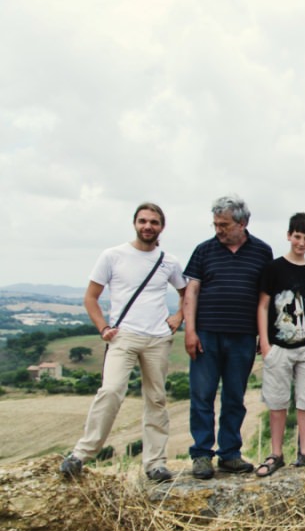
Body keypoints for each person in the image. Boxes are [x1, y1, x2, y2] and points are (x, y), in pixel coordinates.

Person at [60, 203, 187, 482]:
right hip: (123, 336)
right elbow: (90, 297)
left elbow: (186, 292)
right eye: (143, 221)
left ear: (161, 227)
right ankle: (81, 454)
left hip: (157, 339)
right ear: (135, 224)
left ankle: (155, 463)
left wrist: (178, 317)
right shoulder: (113, 256)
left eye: (153, 222)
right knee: (111, 391)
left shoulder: (169, 261)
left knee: (156, 399)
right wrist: (103, 327)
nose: (148, 226)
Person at [183, 195, 273, 479]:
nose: (218, 229)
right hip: (207, 334)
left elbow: (265, 297)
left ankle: (230, 454)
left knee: (235, 396)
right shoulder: (203, 250)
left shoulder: (262, 251)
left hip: (243, 335)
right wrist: (190, 331)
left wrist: (263, 334)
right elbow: (192, 292)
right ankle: (201, 454)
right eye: (216, 224)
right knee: (202, 396)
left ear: (242, 223)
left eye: (224, 224)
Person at [254, 213, 305, 476]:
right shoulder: (273, 268)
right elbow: (263, 306)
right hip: (279, 344)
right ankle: (276, 453)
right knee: (277, 401)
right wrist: (265, 344)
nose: (301, 242)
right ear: (288, 235)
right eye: (297, 236)